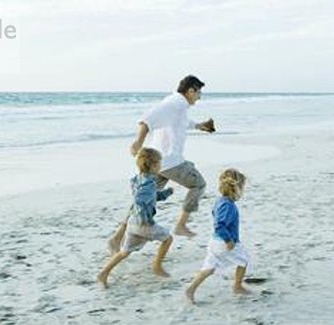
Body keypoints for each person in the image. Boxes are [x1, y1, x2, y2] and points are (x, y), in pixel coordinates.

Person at [108, 75, 215, 254]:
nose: (199, 97)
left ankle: (117, 238)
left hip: (158, 163)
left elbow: (180, 123)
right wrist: (137, 142)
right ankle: (181, 225)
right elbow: (148, 118)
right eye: (198, 93)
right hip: (172, 162)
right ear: (191, 91)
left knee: (144, 199)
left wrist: (200, 126)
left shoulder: (176, 104)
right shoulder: (176, 103)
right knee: (198, 184)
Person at [98, 148, 174, 289]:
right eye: (159, 164)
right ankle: (157, 265)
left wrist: (166, 194)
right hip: (142, 223)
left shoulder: (139, 180)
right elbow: (140, 200)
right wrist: (144, 217)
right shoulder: (149, 184)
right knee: (168, 239)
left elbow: (151, 197)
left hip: (132, 223)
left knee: (124, 252)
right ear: (153, 165)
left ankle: (103, 273)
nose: (161, 166)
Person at [186, 168, 252, 304]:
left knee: (209, 268)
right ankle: (237, 286)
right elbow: (219, 225)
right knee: (243, 260)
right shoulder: (228, 206)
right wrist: (228, 240)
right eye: (242, 187)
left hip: (215, 241)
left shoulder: (220, 201)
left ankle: (191, 289)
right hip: (225, 242)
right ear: (236, 188)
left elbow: (215, 217)